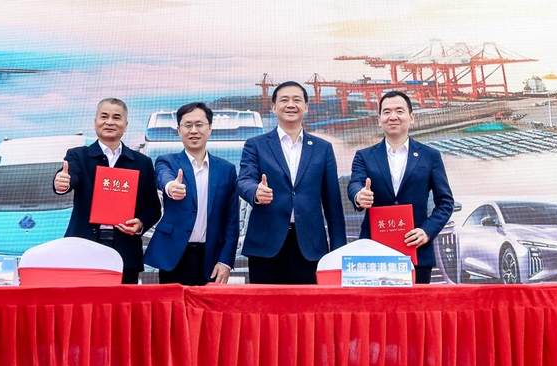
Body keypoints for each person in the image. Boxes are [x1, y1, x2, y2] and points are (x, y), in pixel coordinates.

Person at [238, 80, 346, 284]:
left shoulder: (323, 148)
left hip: (310, 246)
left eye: (297, 100)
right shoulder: (256, 145)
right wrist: (255, 192)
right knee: (264, 303)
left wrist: (338, 249)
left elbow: (332, 202)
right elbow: (244, 180)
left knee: (307, 303)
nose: (290, 105)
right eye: (284, 100)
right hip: (265, 245)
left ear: (306, 107)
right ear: (274, 107)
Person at [347, 90, 455, 284]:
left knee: (415, 304)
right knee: (375, 304)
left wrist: (427, 231)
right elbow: (355, 183)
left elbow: (445, 202)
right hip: (373, 252)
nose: (393, 116)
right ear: (379, 119)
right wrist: (359, 196)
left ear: (411, 117)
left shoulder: (430, 156)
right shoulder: (364, 156)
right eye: (386, 112)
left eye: (399, 111)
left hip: (415, 249)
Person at [53, 97, 161, 284]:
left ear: (125, 125)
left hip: (125, 251)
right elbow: (70, 176)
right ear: (95, 121)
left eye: (116, 117)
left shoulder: (141, 162)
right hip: (83, 248)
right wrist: (61, 183)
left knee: (123, 302)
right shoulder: (78, 155)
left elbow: (153, 207)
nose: (110, 122)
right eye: (104, 116)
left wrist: (140, 223)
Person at [144, 102, 240, 285]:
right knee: (173, 304)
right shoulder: (167, 161)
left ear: (210, 129)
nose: (193, 130)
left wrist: (226, 261)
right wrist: (170, 186)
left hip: (211, 256)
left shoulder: (226, 169)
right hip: (174, 255)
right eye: (187, 125)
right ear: (179, 130)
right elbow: (163, 176)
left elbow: (231, 221)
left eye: (199, 124)